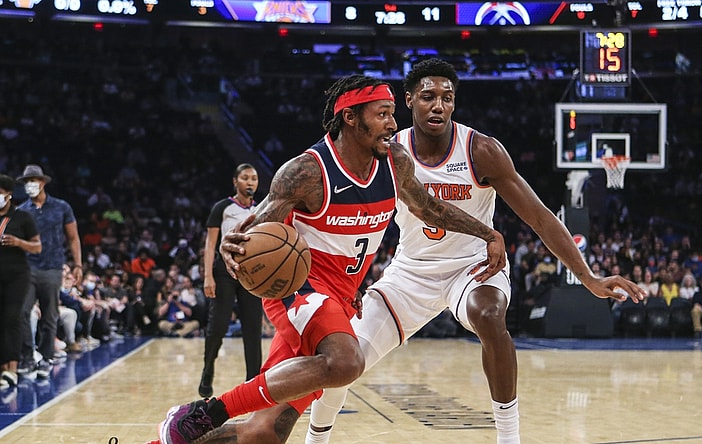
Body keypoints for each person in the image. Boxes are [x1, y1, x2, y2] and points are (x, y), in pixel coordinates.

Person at [185, 59, 646, 444]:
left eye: (447, 97)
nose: (439, 105)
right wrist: (244, 236)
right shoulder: (387, 150)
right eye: (428, 96)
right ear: (409, 102)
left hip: (473, 267)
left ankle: (509, 437)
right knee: (339, 362)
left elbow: (542, 217)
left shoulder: (480, 150)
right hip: (408, 273)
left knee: (489, 315)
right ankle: (313, 437)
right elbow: (411, 207)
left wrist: (588, 277)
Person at [156, 74, 510, 444]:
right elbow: (257, 229)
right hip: (298, 288)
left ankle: (169, 438)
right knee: (346, 362)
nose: (393, 124)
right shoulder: (307, 171)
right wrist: (235, 247)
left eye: (392, 113)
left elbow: (430, 208)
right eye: (383, 114)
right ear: (351, 118)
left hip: (339, 298)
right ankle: (205, 412)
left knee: (265, 432)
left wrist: (488, 232)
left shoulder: (395, 161)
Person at [199, 163, 263, 399]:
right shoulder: (222, 207)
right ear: (235, 182)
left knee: (253, 329)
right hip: (224, 272)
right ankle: (207, 372)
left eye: (254, 178)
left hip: (252, 274)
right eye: (245, 178)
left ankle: (253, 382)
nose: (250, 182)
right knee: (217, 327)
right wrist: (207, 276)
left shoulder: (262, 209)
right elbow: (210, 244)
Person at [16, 164, 83, 378]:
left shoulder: (62, 207)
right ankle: (27, 358)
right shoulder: (21, 211)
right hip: (27, 268)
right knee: (22, 312)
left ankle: (46, 358)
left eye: (32, 181)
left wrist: (78, 264)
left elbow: (73, 237)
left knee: (50, 315)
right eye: (26, 182)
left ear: (42, 182)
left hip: (53, 267)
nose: (29, 185)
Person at [0, 174, 42, 389]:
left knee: (12, 318)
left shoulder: (22, 217)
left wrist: (18, 242)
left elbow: (37, 247)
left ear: (8, 194)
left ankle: (12, 368)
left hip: (17, 274)